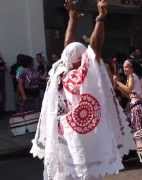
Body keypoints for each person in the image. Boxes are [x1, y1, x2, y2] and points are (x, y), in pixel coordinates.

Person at [30, 1, 133, 179]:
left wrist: (72, 18)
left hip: (63, 133)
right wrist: (100, 18)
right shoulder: (82, 75)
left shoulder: (59, 72)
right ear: (81, 59)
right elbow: (95, 47)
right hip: (80, 135)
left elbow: (69, 45)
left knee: (66, 173)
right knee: (84, 172)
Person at [113, 59, 142, 132]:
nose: (124, 69)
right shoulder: (129, 78)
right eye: (123, 67)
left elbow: (129, 89)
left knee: (140, 131)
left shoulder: (132, 75)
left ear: (131, 68)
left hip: (137, 106)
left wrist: (118, 82)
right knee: (140, 131)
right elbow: (128, 95)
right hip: (135, 106)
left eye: (126, 67)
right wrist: (118, 87)